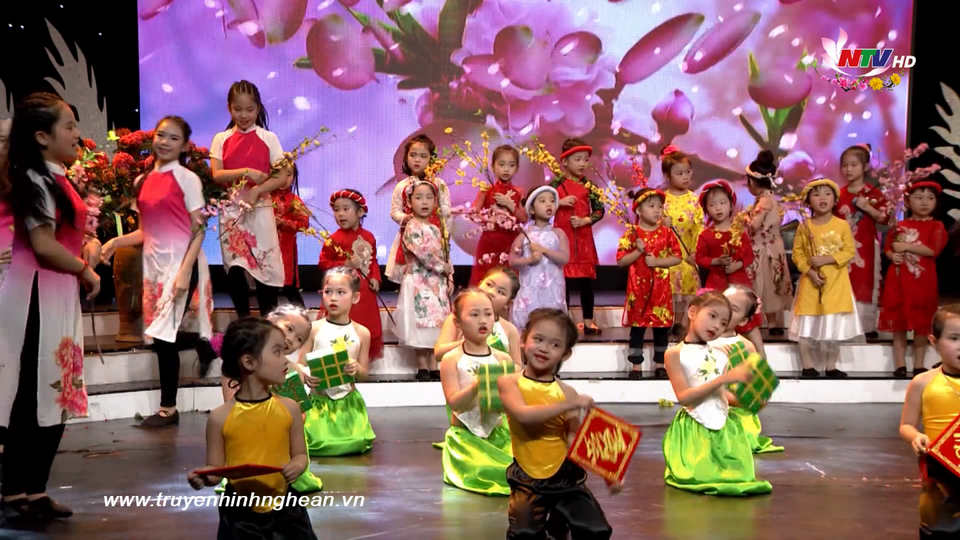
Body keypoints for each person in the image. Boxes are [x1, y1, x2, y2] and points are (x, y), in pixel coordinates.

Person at [0, 92, 101, 520]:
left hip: (55, 293)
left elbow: (62, 237)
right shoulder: (35, 177)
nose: (77, 134)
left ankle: (33, 489)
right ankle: (17, 491)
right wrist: (85, 269)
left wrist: (86, 248)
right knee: (32, 392)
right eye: (69, 126)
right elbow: (42, 245)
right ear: (42, 136)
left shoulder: (55, 176)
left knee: (52, 390)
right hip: (34, 295)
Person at [102, 116, 214, 427]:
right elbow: (144, 232)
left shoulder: (188, 180)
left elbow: (199, 229)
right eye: (161, 135)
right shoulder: (142, 181)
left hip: (181, 263)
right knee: (160, 334)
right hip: (154, 268)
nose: (165, 142)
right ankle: (205, 345)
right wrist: (114, 242)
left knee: (164, 338)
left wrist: (185, 272)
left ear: (184, 146)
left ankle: (168, 409)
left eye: (173, 138)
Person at [187, 318, 316, 539]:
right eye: (277, 352)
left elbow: (300, 455)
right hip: (240, 516)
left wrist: (297, 465)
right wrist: (204, 477)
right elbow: (216, 470)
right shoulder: (220, 417)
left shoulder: (290, 408)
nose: (285, 360)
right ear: (249, 362)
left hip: (287, 511)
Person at [499, 308, 614, 539]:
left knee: (596, 530)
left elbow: (573, 439)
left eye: (555, 345)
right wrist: (569, 405)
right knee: (524, 533)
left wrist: (608, 472)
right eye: (538, 339)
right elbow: (523, 415)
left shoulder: (568, 392)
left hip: (565, 478)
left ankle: (559, 521)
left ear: (565, 353)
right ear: (523, 340)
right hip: (528, 478)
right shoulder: (509, 382)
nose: (544, 348)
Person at [662, 290, 772, 496]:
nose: (716, 326)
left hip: (723, 427)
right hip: (695, 427)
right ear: (692, 312)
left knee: (740, 476)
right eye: (712, 316)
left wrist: (749, 401)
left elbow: (721, 395)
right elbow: (684, 398)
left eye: (723, 323)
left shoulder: (721, 354)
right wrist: (724, 379)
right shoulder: (674, 354)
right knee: (703, 476)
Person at [210, 80, 287, 317]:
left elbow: (282, 175)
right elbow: (217, 174)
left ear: (258, 108)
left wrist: (257, 190)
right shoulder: (221, 138)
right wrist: (246, 172)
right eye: (238, 109)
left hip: (260, 209)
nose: (243, 115)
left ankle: (267, 321)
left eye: (249, 109)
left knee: (266, 267)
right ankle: (243, 319)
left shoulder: (268, 138)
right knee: (235, 266)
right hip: (232, 211)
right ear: (229, 108)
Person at [438, 289, 518, 495]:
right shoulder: (451, 359)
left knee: (519, 470)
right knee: (484, 471)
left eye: (488, 314)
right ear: (458, 322)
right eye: (474, 315)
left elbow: (511, 403)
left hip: (498, 434)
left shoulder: (503, 359)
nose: (482, 320)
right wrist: (477, 385)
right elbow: (454, 403)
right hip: (467, 438)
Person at [898, 305, 960, 538]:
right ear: (934, 341)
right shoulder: (923, 382)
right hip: (940, 478)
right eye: (954, 338)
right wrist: (916, 437)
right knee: (940, 526)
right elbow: (906, 425)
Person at [790, 178, 862, 378]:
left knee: (833, 324)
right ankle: (808, 365)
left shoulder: (842, 225)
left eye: (827, 194)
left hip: (836, 283)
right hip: (811, 283)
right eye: (816, 194)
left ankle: (831, 366)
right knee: (807, 324)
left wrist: (827, 259)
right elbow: (797, 254)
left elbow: (849, 251)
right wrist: (810, 271)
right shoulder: (804, 226)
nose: (822, 198)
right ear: (808, 201)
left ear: (835, 199)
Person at [301, 267, 376, 456]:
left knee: (357, 442)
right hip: (320, 402)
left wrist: (356, 368)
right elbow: (300, 365)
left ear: (355, 297)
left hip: (348, 404)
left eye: (341, 292)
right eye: (328, 292)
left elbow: (364, 374)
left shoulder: (362, 333)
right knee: (318, 443)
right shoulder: (314, 329)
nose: (333, 298)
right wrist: (307, 375)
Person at [878, 181, 948, 378]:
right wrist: (892, 255)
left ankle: (918, 364)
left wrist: (907, 247)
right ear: (908, 202)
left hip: (922, 283)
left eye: (930, 198)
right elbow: (888, 247)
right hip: (899, 282)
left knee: (922, 326)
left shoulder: (937, 226)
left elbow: (933, 250)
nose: (925, 202)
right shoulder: (899, 226)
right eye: (919, 198)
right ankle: (900, 365)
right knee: (899, 325)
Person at [616, 188, 681, 379]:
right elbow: (621, 261)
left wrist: (657, 262)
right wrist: (637, 251)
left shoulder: (666, 233)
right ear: (638, 210)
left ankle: (660, 364)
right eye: (651, 206)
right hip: (639, 291)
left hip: (660, 291)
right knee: (637, 329)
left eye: (660, 207)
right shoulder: (632, 233)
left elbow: (677, 257)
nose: (657, 210)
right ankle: (636, 366)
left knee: (661, 330)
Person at [710, 285, 782, 453]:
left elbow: (757, 389)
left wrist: (752, 397)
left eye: (733, 309)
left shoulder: (746, 346)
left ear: (743, 320)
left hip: (736, 412)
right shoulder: (702, 341)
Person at [394, 178, 452, 381]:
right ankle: (422, 366)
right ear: (410, 202)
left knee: (435, 324)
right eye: (419, 197)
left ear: (435, 202)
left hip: (436, 283)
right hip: (419, 281)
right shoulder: (411, 226)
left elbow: (444, 254)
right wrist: (442, 267)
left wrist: (449, 276)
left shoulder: (437, 228)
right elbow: (422, 252)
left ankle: (434, 365)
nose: (424, 202)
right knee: (420, 324)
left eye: (429, 197)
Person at [318, 189, 383, 360]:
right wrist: (345, 264)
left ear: (360, 212)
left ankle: (362, 364)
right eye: (336, 210)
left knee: (365, 325)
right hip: (342, 291)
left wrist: (375, 277)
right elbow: (323, 263)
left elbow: (372, 261)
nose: (340, 214)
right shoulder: (333, 239)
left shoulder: (369, 236)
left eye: (346, 209)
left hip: (364, 291)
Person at [835, 143, 891, 336]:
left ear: (865, 166)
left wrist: (867, 207)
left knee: (865, 284)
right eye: (845, 165)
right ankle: (843, 326)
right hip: (841, 248)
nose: (848, 169)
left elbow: (885, 219)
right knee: (843, 283)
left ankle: (866, 326)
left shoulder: (874, 194)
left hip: (866, 246)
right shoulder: (838, 194)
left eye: (853, 165)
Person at [550, 138, 604, 335]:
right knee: (563, 282)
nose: (582, 164)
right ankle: (563, 320)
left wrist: (585, 220)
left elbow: (599, 210)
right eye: (577, 159)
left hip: (583, 239)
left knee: (586, 282)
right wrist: (559, 203)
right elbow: (540, 203)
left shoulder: (589, 185)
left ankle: (588, 321)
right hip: (563, 239)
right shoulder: (556, 183)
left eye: (585, 160)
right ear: (565, 161)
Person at [385, 134, 451, 284]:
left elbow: (446, 207)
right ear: (406, 158)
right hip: (410, 236)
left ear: (431, 159)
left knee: (436, 276)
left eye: (423, 156)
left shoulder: (439, 184)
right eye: (413, 155)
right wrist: (406, 218)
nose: (417, 160)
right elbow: (394, 211)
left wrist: (437, 215)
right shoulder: (402, 186)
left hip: (434, 235)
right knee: (411, 278)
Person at [744, 150, 792, 334]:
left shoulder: (763, 202)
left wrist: (744, 218)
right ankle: (772, 324)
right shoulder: (770, 198)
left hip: (764, 250)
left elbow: (754, 226)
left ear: (752, 182)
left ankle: (768, 324)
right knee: (771, 283)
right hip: (773, 247)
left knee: (766, 284)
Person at [435, 266, 524, 366]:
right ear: (480, 283)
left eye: (501, 292)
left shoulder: (510, 330)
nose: (491, 292)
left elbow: (517, 365)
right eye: (489, 284)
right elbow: (438, 353)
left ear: (508, 303)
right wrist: (467, 343)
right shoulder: (458, 318)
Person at [509, 185, 568, 331]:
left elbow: (564, 258)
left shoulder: (558, 233)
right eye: (542, 201)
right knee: (527, 324)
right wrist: (529, 260)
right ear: (532, 209)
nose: (549, 204)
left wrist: (544, 250)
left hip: (552, 290)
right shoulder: (524, 234)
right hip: (530, 290)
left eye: (552, 201)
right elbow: (512, 260)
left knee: (552, 324)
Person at [660, 145, 703, 336]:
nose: (685, 177)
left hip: (688, 256)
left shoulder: (694, 200)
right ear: (668, 176)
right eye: (679, 173)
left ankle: (684, 326)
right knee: (668, 291)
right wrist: (662, 224)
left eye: (688, 172)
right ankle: (667, 325)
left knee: (688, 292)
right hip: (668, 257)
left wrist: (695, 253)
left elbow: (700, 228)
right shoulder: (662, 200)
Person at [470, 145, 526, 285]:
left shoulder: (518, 192)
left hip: (511, 242)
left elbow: (524, 218)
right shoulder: (486, 190)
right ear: (493, 167)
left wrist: (510, 205)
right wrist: (489, 216)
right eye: (502, 164)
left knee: (509, 280)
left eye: (511, 165)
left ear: (517, 168)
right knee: (486, 279)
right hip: (489, 241)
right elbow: (473, 213)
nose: (506, 169)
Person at [272, 165, 309, 307]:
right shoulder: (265, 198)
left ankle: (302, 317)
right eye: (279, 174)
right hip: (267, 251)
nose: (284, 179)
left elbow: (304, 223)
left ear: (294, 177)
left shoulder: (295, 201)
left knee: (290, 289)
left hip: (286, 250)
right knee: (268, 290)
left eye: (289, 175)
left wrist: (284, 223)